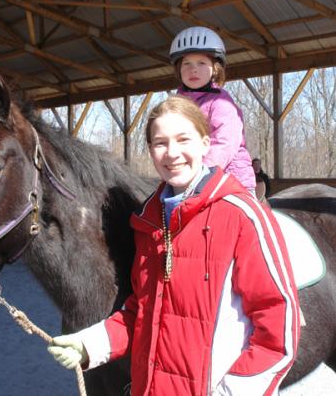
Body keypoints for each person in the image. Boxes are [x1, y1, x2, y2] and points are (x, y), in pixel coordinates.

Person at [48, 96, 300, 396]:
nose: (172, 153)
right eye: (160, 143)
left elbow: (278, 330)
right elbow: (140, 312)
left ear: (205, 144)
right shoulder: (147, 222)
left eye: (184, 140)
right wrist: (91, 343)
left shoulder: (242, 216)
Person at [170, 26, 256, 195]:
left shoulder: (221, 102)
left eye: (201, 63)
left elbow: (224, 144)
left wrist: (198, 175)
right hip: (187, 176)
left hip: (230, 178)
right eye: (187, 63)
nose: (193, 69)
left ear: (215, 68)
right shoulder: (175, 105)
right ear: (179, 69)